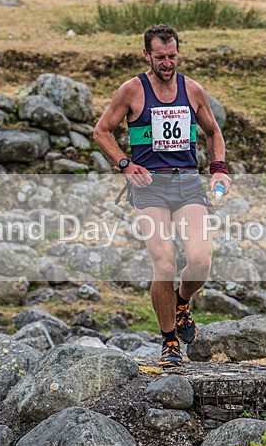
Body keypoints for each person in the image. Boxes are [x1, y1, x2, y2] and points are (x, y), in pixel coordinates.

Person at [93, 24, 232, 367]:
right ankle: (169, 341)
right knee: (165, 264)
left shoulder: (192, 90)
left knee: (200, 261)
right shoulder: (131, 90)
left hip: (187, 184)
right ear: (147, 55)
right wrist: (125, 165)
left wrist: (218, 168)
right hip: (149, 188)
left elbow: (213, 131)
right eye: (160, 57)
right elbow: (102, 131)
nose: (167, 63)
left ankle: (182, 301)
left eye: (172, 56)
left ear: (178, 52)